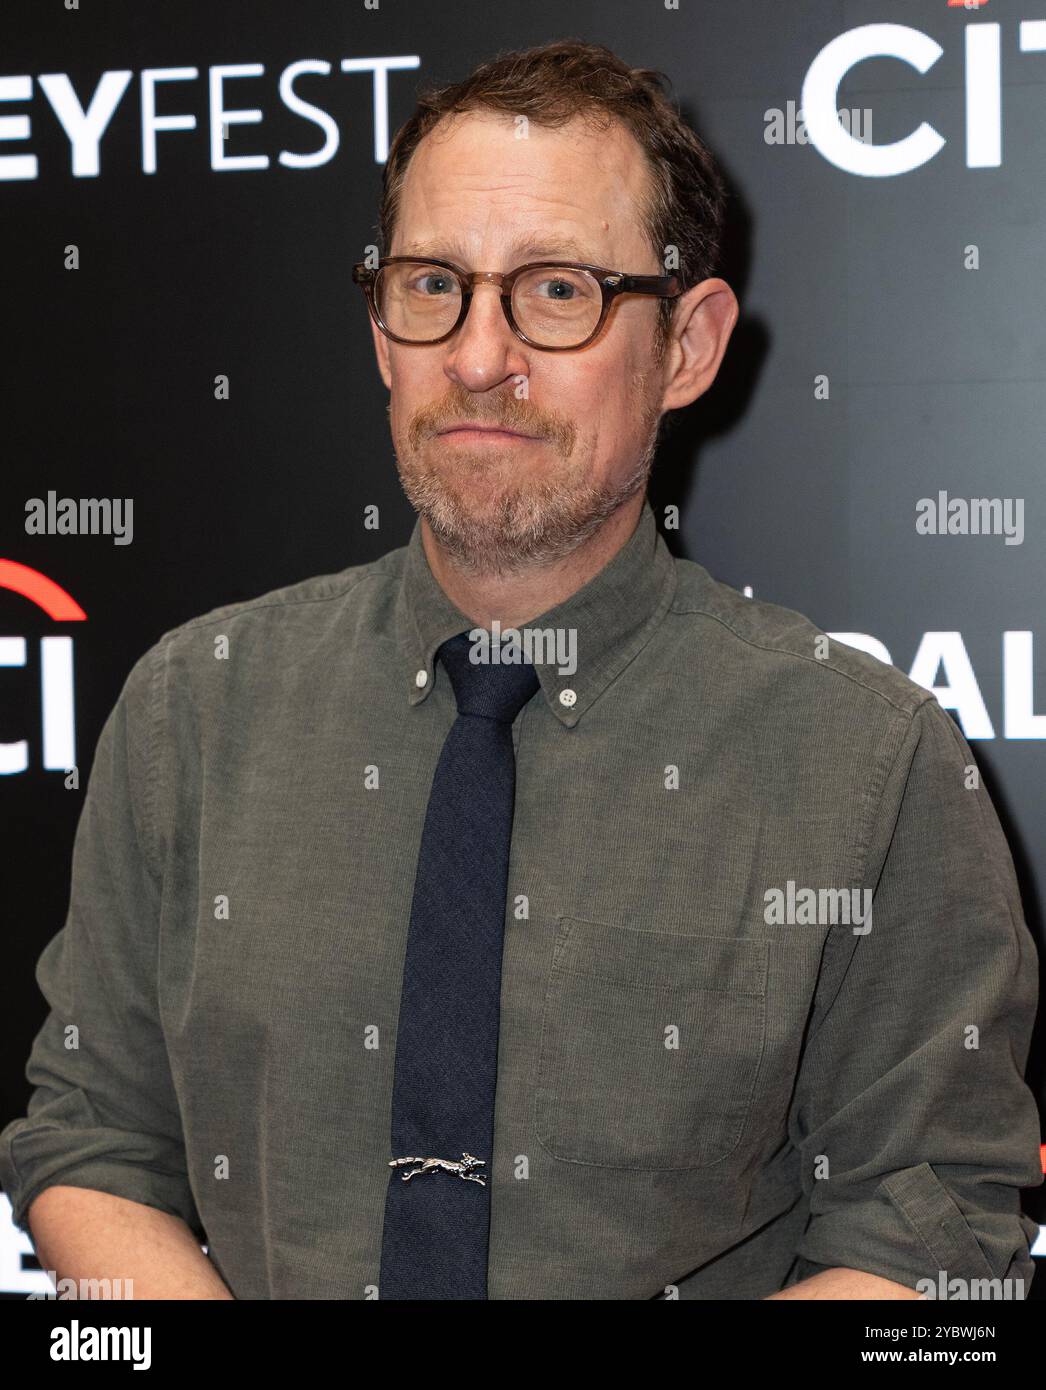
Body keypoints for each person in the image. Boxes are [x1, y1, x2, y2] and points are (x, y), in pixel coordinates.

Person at [1, 38, 1040, 1301]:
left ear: (688, 347)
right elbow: (93, 1135)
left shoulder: (868, 760)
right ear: (381, 331)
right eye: (432, 284)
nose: (479, 357)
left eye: (556, 292)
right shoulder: (191, 710)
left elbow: (928, 1227)